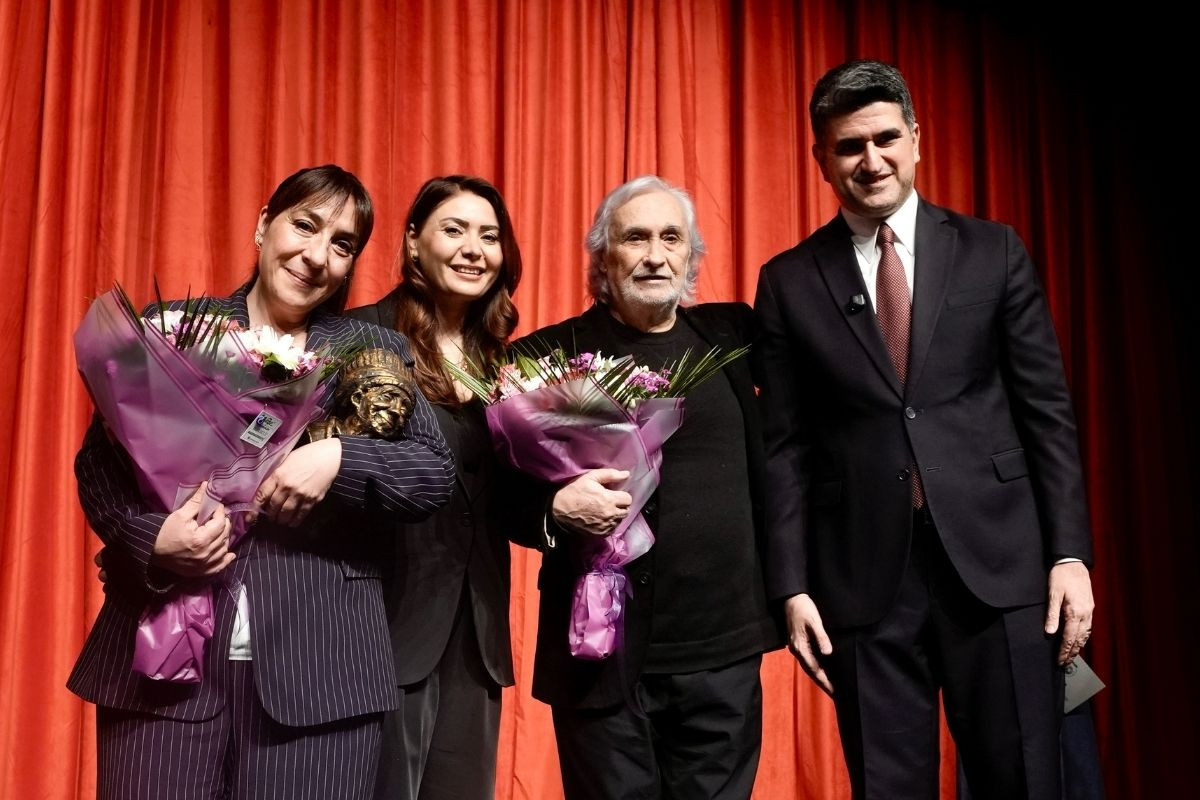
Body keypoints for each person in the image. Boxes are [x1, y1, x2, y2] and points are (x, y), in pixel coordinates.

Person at [754, 60, 1096, 799]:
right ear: (820, 159)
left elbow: (1047, 412)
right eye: (849, 146)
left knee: (1025, 779)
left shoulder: (992, 250)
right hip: (862, 579)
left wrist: (1069, 554)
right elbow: (784, 448)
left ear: (916, 139)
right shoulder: (787, 280)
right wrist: (791, 587)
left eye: (885, 139)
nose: (870, 160)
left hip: (1001, 567)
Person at [69, 164, 455, 800]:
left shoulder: (368, 349)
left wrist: (338, 458)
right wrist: (154, 541)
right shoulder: (176, 331)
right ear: (262, 226)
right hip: (162, 660)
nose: (317, 255)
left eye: (341, 244)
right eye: (304, 226)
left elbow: (432, 473)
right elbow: (98, 468)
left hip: (320, 673)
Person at [512, 175, 780, 799]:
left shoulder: (732, 336)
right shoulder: (545, 359)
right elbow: (491, 493)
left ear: (691, 256)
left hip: (723, 653)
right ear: (603, 257)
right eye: (635, 238)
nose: (655, 255)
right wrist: (553, 507)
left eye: (671, 238)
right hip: (599, 654)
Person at [345, 175, 522, 800]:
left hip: (476, 635)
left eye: (490, 236)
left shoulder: (504, 363)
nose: (475, 249)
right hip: (381, 629)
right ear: (414, 241)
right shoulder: (360, 337)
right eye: (455, 230)